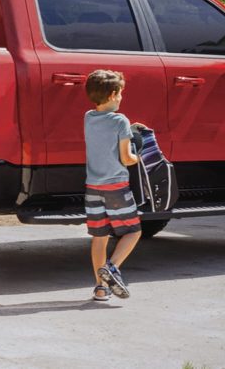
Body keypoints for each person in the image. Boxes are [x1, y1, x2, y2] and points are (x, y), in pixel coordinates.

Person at [81, 69, 143, 301]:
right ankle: (112, 267)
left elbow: (105, 137)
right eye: (121, 94)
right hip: (116, 187)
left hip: (93, 187)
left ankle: (100, 287)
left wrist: (128, 130)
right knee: (133, 231)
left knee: (100, 237)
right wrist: (138, 155)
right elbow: (126, 158)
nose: (121, 98)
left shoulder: (88, 117)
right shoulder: (120, 121)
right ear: (113, 94)